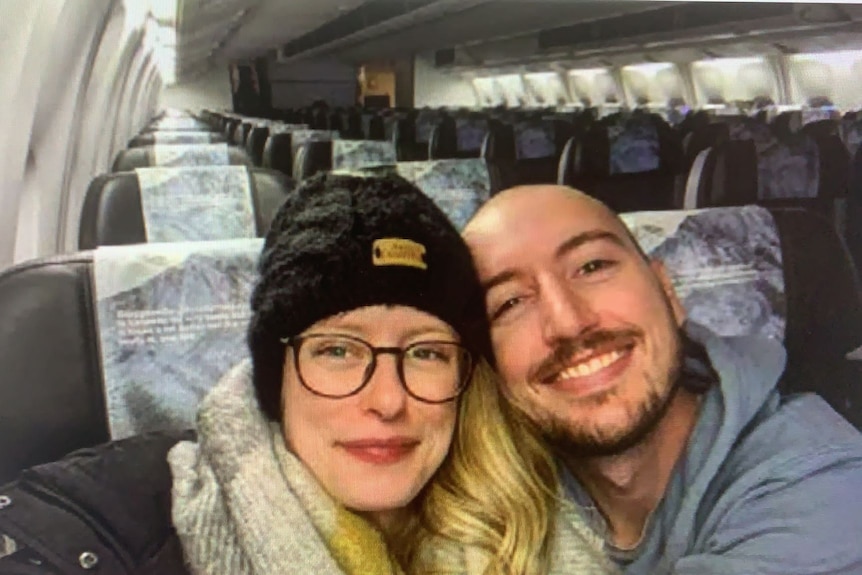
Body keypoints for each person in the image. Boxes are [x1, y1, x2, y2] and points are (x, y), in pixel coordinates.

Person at [0, 173, 612, 575]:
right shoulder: (123, 513)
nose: (388, 402)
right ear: (277, 375)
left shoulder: (535, 510)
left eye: (426, 353)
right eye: (339, 351)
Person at [462, 184, 862, 574]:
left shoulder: (822, 489)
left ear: (668, 294)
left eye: (592, 266)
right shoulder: (482, 480)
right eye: (510, 302)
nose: (568, 323)